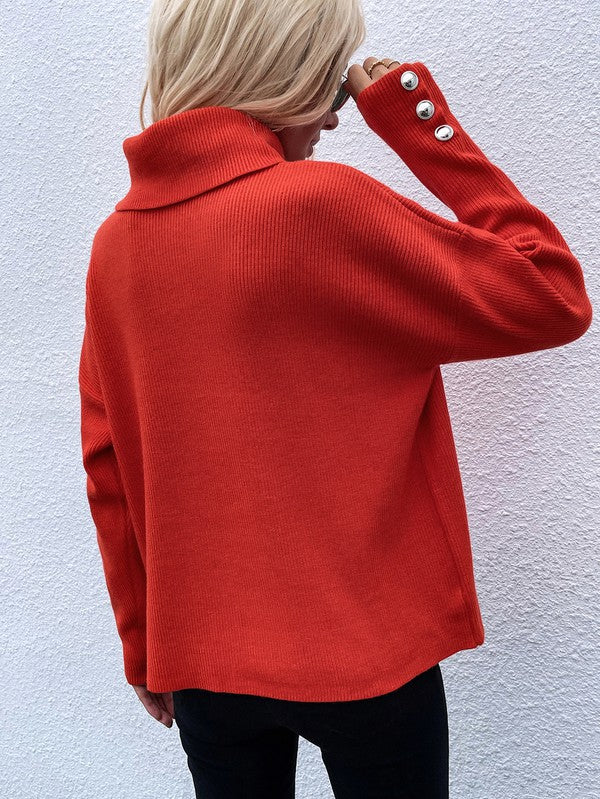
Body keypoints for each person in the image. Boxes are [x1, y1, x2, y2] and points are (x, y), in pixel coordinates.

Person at [77, 0, 593, 796]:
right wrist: (416, 117)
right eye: (328, 84)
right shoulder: (321, 205)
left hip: (207, 669)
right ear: (279, 77)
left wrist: (144, 645)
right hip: (368, 660)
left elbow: (105, 461)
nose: (332, 116)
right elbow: (551, 293)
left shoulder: (116, 243)